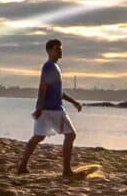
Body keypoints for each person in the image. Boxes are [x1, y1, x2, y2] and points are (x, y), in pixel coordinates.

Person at [18, 38, 84, 175]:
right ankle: (66, 170)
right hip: (53, 109)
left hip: (46, 108)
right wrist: (40, 108)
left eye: (60, 49)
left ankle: (22, 166)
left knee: (38, 137)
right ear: (49, 50)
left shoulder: (55, 67)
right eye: (56, 49)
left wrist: (73, 102)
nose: (60, 51)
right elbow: (43, 87)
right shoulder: (49, 66)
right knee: (71, 135)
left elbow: (58, 92)